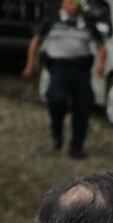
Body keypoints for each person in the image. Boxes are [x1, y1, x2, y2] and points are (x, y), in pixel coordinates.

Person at [22, 0, 106, 159]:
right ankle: (57, 132)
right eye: (69, 2)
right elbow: (36, 42)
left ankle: (76, 147)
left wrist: (101, 64)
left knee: (82, 108)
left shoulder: (87, 22)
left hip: (81, 70)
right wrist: (30, 64)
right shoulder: (52, 20)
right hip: (59, 68)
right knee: (56, 101)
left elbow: (101, 46)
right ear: (63, 4)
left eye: (75, 3)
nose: (72, 6)